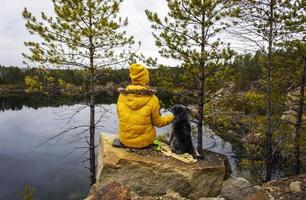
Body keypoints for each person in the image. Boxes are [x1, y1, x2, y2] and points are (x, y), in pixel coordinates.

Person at [113, 63, 174, 148]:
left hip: (125, 140)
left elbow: (120, 116)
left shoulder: (122, 95)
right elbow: (158, 123)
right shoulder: (152, 99)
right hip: (145, 142)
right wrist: (172, 116)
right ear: (146, 79)